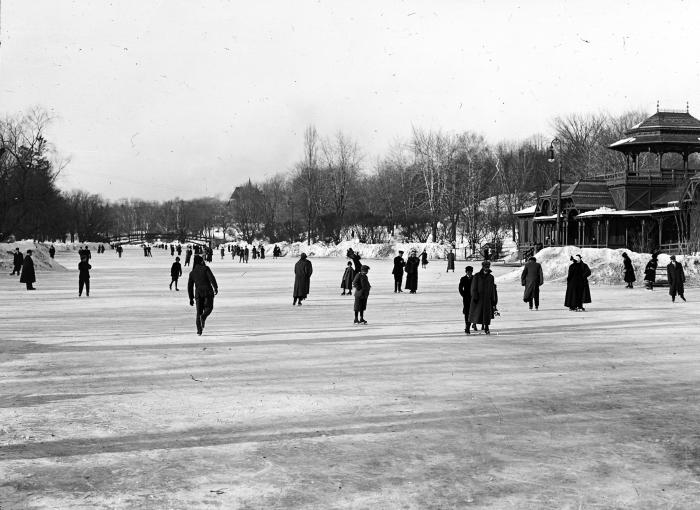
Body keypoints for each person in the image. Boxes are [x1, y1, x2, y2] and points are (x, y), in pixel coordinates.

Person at [187, 255, 218, 336]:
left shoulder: (192, 273)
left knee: (198, 312)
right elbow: (212, 278)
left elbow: (190, 286)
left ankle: (199, 330)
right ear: (201, 261)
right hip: (208, 292)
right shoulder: (206, 268)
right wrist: (215, 287)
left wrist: (191, 298)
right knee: (209, 308)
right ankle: (203, 317)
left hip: (198, 294)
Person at [468, 260, 498, 334]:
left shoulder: (491, 277)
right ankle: (470, 326)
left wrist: (493, 299)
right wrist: (475, 296)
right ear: (483, 267)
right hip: (478, 299)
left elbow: (492, 289)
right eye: (485, 266)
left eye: (488, 267)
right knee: (476, 314)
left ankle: (486, 328)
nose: (486, 268)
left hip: (487, 299)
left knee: (486, 315)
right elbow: (473, 287)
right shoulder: (477, 276)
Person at [458, 266, 477, 334]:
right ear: (466, 272)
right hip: (466, 299)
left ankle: (474, 323)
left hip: (474, 298)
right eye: (468, 272)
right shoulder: (463, 279)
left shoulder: (475, 278)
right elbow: (460, 288)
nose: (469, 273)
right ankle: (467, 326)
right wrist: (463, 295)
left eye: (470, 272)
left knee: (474, 311)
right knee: (467, 312)